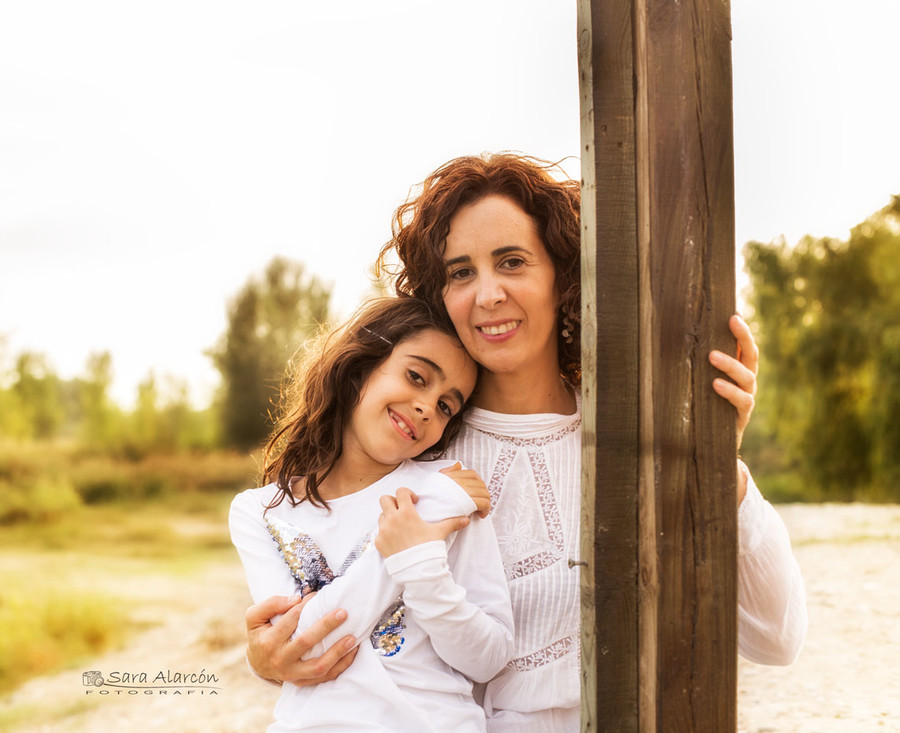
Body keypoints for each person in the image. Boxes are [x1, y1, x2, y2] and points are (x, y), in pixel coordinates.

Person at [243, 153, 808, 732]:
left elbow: (775, 639)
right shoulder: (414, 462)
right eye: (461, 272)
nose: (487, 295)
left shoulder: (637, 446)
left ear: (563, 276)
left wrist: (718, 465)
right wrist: (269, 658)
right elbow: (345, 643)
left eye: (511, 262)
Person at [229, 296, 515, 732]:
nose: (426, 406)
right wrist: (412, 540)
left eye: (445, 406)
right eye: (416, 376)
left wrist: (425, 572)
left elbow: (489, 658)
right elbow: (303, 645)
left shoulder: (444, 486)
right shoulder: (260, 511)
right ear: (361, 365)